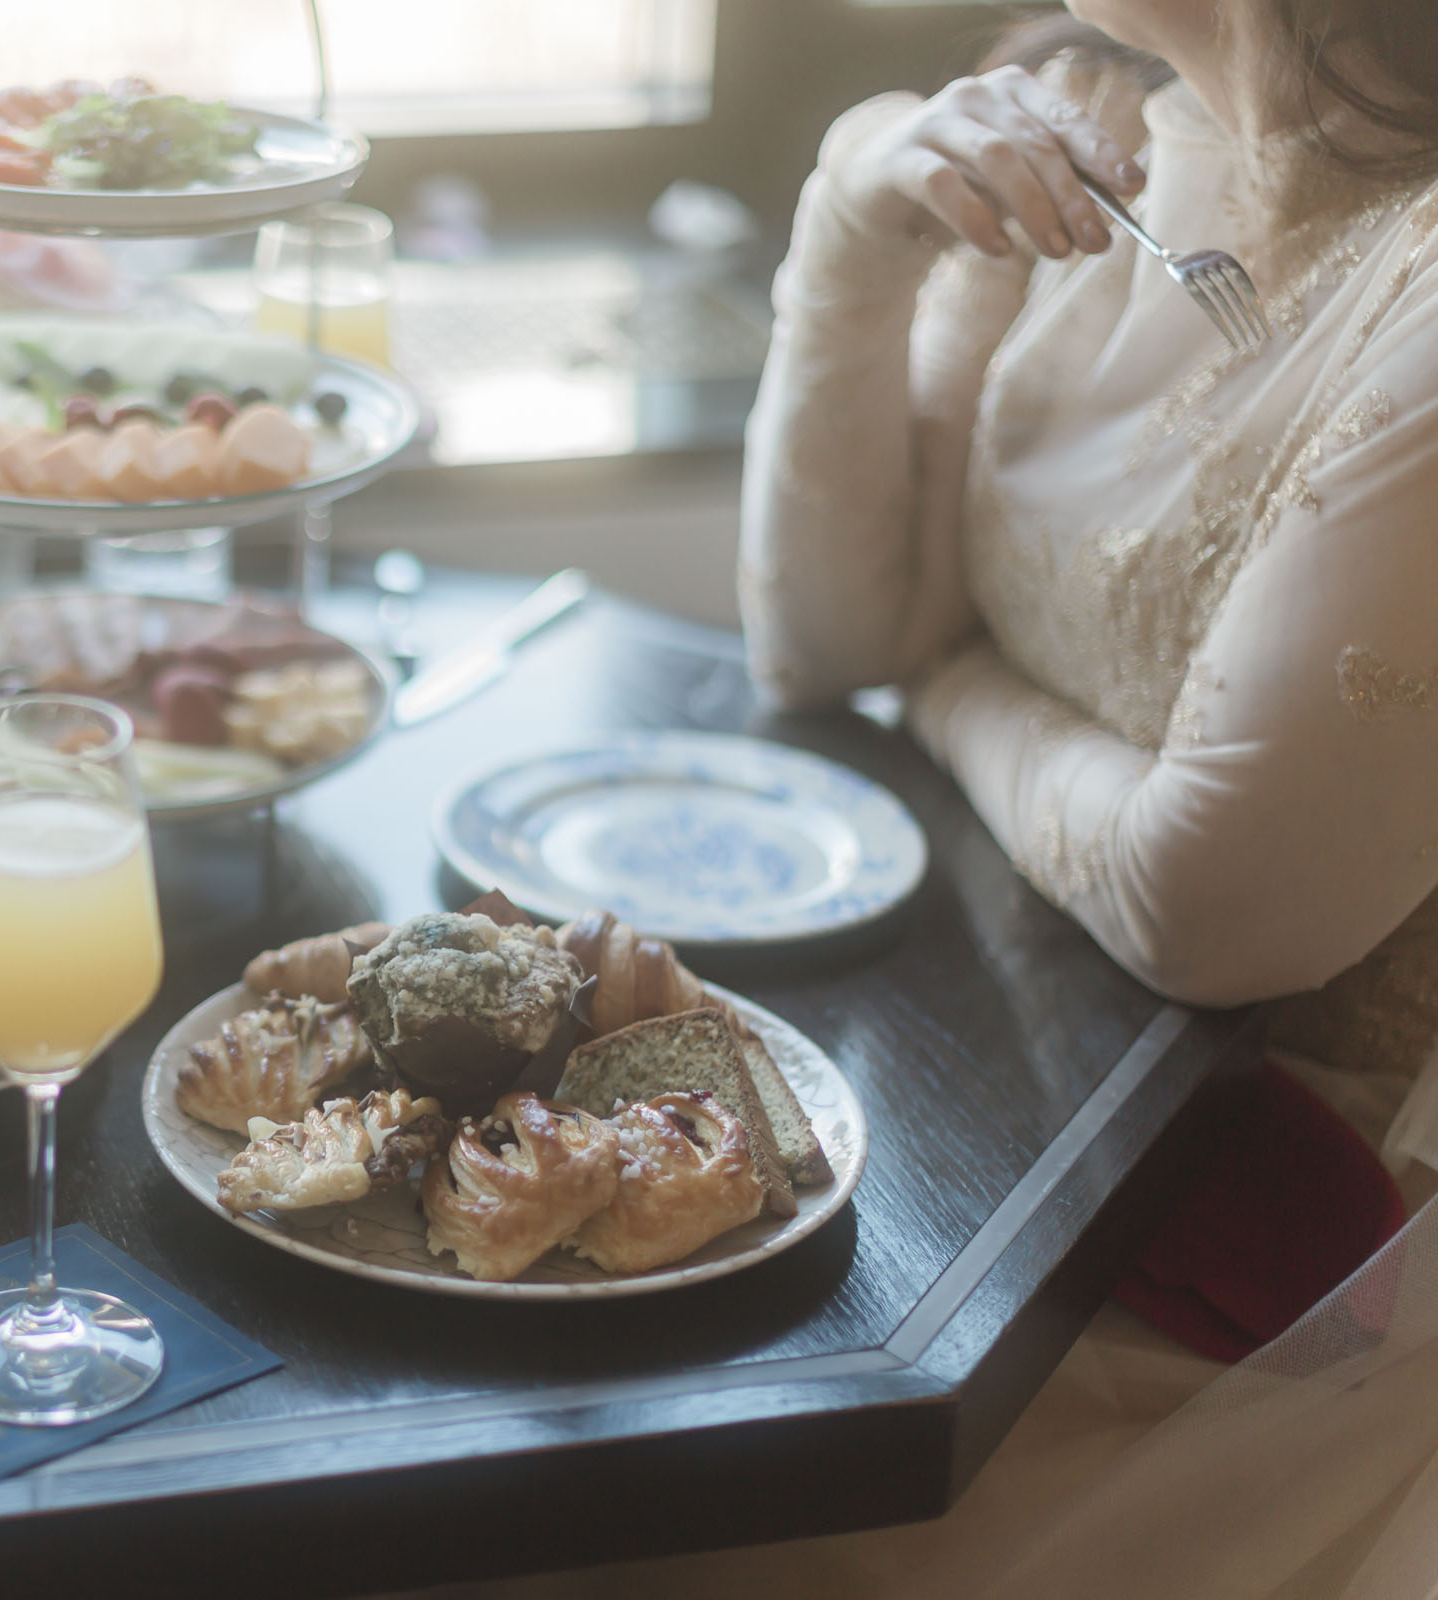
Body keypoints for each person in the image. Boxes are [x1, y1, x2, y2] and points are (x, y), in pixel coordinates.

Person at [387, 1, 1438, 1595]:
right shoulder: (1082, 112)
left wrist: (944, 685)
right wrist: (857, 227)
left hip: (1264, 1271)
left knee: (549, 1514)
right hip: (984, 1075)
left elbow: (1203, 906)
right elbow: (829, 639)